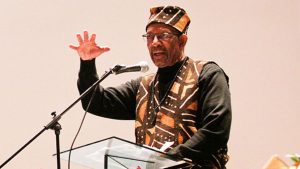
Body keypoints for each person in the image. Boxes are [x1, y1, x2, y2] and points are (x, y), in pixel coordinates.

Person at [70, 6, 232, 169]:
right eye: (149, 36)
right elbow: (95, 102)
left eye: (163, 36)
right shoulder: (143, 86)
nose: (155, 43)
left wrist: (168, 158)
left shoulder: (207, 74)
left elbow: (216, 130)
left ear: (182, 41)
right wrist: (87, 63)